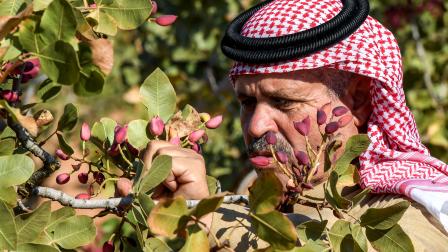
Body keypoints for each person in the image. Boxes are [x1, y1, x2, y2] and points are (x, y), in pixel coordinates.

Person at [144, 0, 448, 250]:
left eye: (284, 103)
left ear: (357, 101)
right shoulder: (251, 188)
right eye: (247, 103)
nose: (256, 126)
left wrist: (205, 216)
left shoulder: (411, 215)